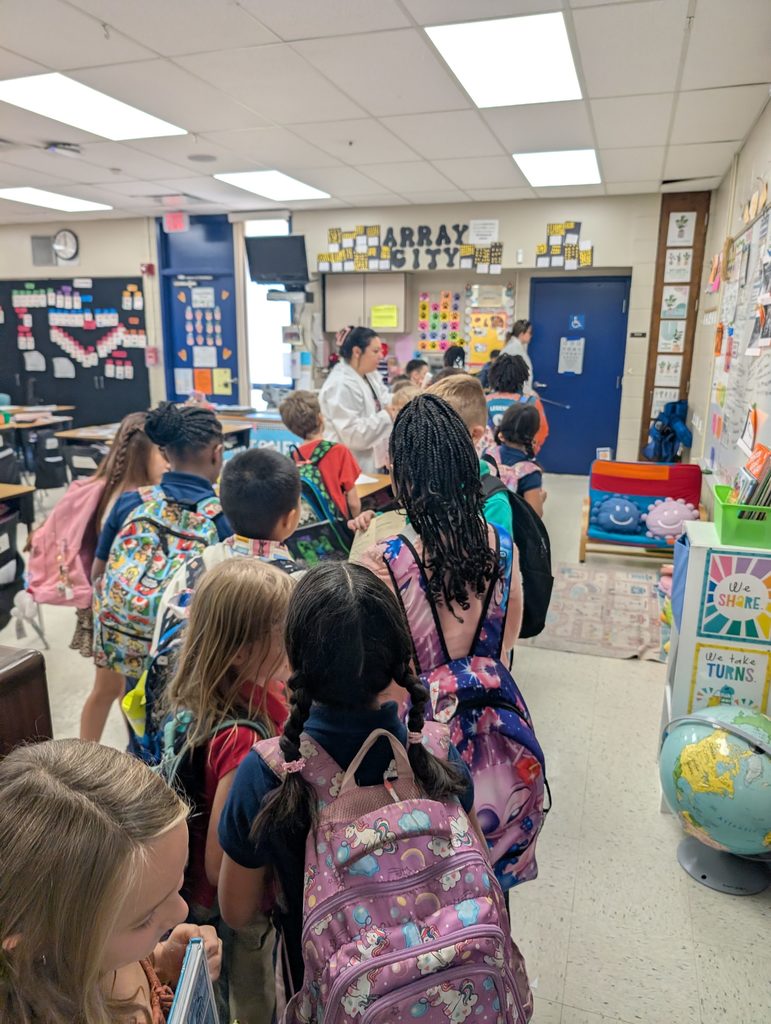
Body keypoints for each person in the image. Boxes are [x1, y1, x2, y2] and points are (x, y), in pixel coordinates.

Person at [217, 562, 478, 994]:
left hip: (330, 993)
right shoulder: (435, 751)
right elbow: (480, 862)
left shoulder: (269, 773)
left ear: (295, 657)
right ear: (398, 658)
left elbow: (237, 910)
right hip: (447, 988)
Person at [0, 739, 222, 1024]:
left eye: (178, 883)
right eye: (144, 919)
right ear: (37, 942)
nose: (180, 912)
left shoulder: (94, 946)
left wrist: (162, 961)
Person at [165, 558, 294, 1024]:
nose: (292, 642)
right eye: (282, 632)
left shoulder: (217, 699)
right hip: (232, 913)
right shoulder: (242, 741)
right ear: (241, 651)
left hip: (213, 898)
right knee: (252, 999)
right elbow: (221, 867)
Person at [82, 402, 230, 743]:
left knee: (139, 720)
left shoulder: (132, 502)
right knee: (183, 737)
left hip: (130, 645)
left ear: (166, 452)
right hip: (187, 659)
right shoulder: (221, 517)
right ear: (217, 452)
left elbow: (98, 574)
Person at [355, 394, 522, 695]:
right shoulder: (502, 543)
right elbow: (508, 639)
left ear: (397, 475)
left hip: (416, 723)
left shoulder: (381, 561)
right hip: (490, 713)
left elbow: (375, 670)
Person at [429, 373, 513, 538]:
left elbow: (497, 559)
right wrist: (377, 517)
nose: (432, 440)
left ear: (475, 435)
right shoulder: (429, 481)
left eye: (442, 432)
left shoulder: (493, 503)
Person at [318, 326, 393, 474]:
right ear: (357, 352)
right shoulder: (340, 384)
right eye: (376, 351)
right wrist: (387, 415)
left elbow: (386, 400)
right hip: (350, 465)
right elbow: (354, 435)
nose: (381, 356)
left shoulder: (369, 375)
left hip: (371, 462)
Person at [279, 390, 362, 520]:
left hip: (308, 532)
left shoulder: (290, 459)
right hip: (338, 529)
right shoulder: (338, 451)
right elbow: (353, 502)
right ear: (320, 418)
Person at [487, 352, 549, 453]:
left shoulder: (485, 401)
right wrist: (532, 450)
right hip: (520, 456)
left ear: (493, 376)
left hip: (489, 459)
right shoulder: (531, 402)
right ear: (523, 376)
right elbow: (543, 431)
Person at [494, 403, 547, 517]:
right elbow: (534, 515)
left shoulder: (488, 454)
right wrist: (541, 498)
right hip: (511, 532)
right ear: (533, 435)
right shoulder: (529, 472)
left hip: (483, 523)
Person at [502, 319, 534, 392]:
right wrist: (528, 391)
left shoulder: (515, 348)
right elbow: (517, 376)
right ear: (521, 334)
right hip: (514, 392)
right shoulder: (514, 350)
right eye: (529, 332)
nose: (531, 335)